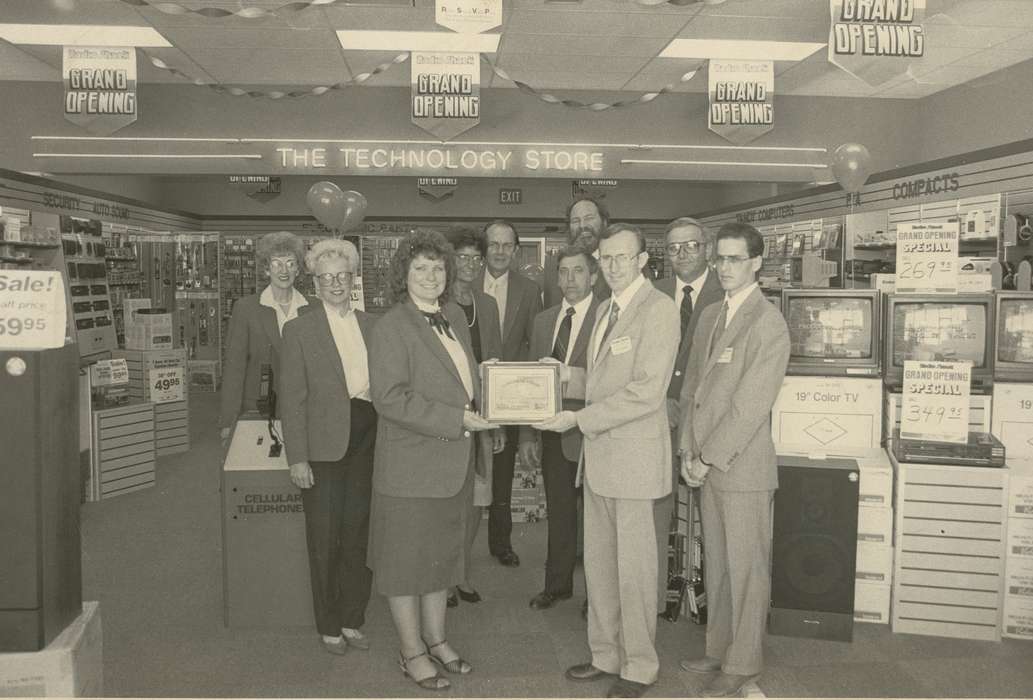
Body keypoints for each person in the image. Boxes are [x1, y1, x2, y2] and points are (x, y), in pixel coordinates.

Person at [537, 223, 679, 699]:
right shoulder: (604, 309)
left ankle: (639, 666)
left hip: (633, 460)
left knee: (635, 571)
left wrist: (579, 421)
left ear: (643, 261)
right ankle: (605, 655)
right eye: (607, 258)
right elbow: (600, 382)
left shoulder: (658, 309)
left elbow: (645, 391)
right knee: (600, 566)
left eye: (623, 257)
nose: (614, 266)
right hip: (599, 460)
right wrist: (561, 376)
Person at [368, 228, 498, 692]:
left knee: (442, 560)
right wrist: (460, 420)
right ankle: (412, 652)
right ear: (402, 275)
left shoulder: (456, 317)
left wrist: (495, 399)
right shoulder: (390, 326)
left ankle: (438, 640)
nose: (429, 275)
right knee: (405, 564)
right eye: (419, 268)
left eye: (437, 267)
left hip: (453, 466)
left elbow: (466, 381)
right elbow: (390, 398)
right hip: (410, 469)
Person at [677, 222, 790, 698]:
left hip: (741, 468)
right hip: (705, 463)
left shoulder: (768, 322)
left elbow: (750, 406)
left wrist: (707, 457)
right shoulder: (709, 316)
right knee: (719, 564)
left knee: (746, 569)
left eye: (734, 259)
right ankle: (720, 647)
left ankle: (743, 665)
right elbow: (692, 392)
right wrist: (688, 449)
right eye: (719, 259)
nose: (724, 268)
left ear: (757, 262)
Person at [279, 239, 376, 656]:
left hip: (368, 436)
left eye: (342, 276)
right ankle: (329, 625)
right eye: (326, 277)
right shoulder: (299, 329)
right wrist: (296, 456)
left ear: (353, 279)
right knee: (325, 537)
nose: (335, 283)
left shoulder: (372, 325)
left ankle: (354, 617)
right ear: (315, 282)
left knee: (359, 534)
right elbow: (292, 397)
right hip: (322, 445)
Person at [518, 244, 600, 611]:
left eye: (578, 271)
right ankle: (557, 585)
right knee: (560, 511)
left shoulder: (609, 317)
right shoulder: (543, 320)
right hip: (553, 431)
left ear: (594, 276)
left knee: (598, 520)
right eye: (563, 272)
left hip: (596, 431)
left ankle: (598, 596)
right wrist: (527, 434)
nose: (570, 279)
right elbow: (532, 383)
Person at [653, 217, 724, 611]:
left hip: (705, 419)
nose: (681, 254)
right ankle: (661, 594)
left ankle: (708, 600)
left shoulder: (723, 291)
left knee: (708, 514)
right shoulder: (654, 291)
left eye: (691, 246)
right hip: (658, 415)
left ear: (707, 249)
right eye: (674, 247)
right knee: (659, 507)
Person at [445, 226, 506, 608]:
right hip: (450, 416)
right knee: (450, 499)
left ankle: (462, 571)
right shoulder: (437, 303)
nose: (468, 265)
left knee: (477, 500)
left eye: (474, 258)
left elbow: (496, 365)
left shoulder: (486, 304)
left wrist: (495, 419)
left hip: (482, 415)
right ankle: (446, 576)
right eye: (461, 258)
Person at [477, 219, 543, 568]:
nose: (500, 251)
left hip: (510, 396)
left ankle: (500, 543)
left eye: (507, 245)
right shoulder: (464, 285)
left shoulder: (530, 290)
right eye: (494, 244)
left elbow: (533, 346)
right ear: (484, 248)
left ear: (516, 250)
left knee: (502, 475)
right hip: (471, 394)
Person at [219, 231, 314, 442]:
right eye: (276, 263)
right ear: (265, 268)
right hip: (259, 410)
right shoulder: (246, 309)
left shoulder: (313, 309)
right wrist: (228, 421)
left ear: (298, 269)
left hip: (304, 411)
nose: (284, 270)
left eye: (290, 263)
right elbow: (234, 369)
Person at [544, 195, 611, 307]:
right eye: (575, 221)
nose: (582, 226)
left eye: (589, 218)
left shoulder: (627, 261)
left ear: (604, 222)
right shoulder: (553, 266)